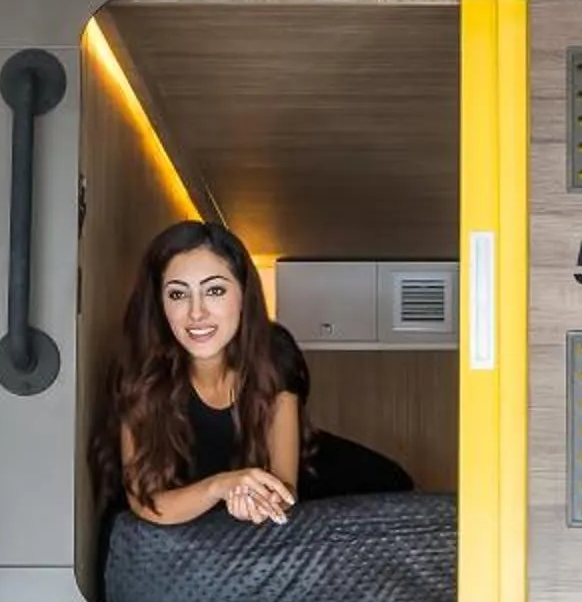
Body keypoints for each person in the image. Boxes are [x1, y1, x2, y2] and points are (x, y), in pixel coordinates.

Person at [95, 219, 411, 532]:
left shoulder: (273, 353)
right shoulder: (140, 372)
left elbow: (283, 486)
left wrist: (257, 497)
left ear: (243, 294)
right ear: (160, 304)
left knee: (394, 486)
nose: (196, 312)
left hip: (309, 467)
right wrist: (221, 486)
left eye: (215, 291)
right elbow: (146, 502)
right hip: (197, 503)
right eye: (178, 295)